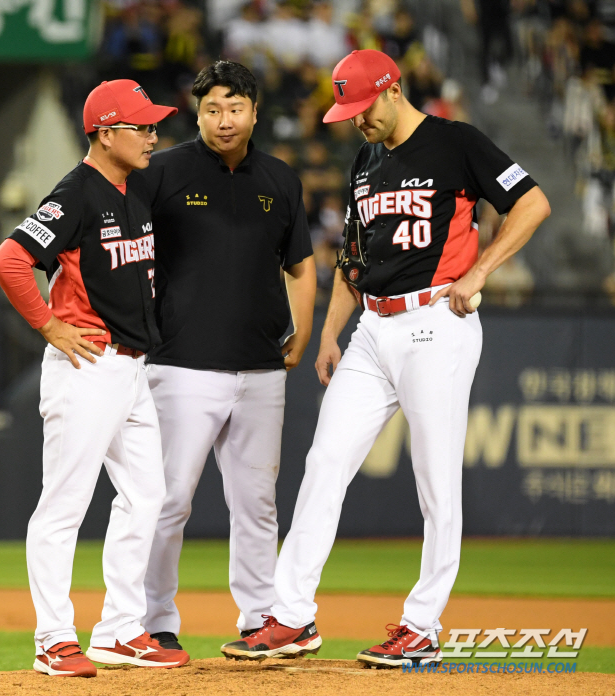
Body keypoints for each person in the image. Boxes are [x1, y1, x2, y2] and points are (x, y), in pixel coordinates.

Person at [221, 49, 551, 666]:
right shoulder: (366, 159)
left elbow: (531, 202)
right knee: (324, 462)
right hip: (373, 327)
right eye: (347, 110)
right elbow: (353, 256)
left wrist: (480, 269)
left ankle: (422, 625)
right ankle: (292, 617)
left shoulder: (457, 143)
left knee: (435, 482)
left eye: (362, 106)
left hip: (437, 322)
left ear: (393, 90)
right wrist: (329, 333)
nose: (356, 121)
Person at [0, 79, 189, 677]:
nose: (153, 135)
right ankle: (53, 637)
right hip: (86, 366)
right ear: (105, 131)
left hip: (130, 369)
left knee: (148, 495)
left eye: (154, 125)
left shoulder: (128, 190)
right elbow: (10, 260)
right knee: (64, 506)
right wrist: (50, 327)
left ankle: (119, 628)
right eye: (141, 125)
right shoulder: (78, 192)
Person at [137, 60, 316, 649]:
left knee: (258, 505)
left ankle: (261, 617)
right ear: (197, 112)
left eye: (235, 107)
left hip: (261, 367)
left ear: (256, 112)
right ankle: (154, 621)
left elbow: (301, 266)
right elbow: (119, 243)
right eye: (212, 108)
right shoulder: (161, 171)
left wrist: (303, 327)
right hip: (180, 363)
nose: (224, 119)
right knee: (168, 502)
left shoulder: (281, 179)